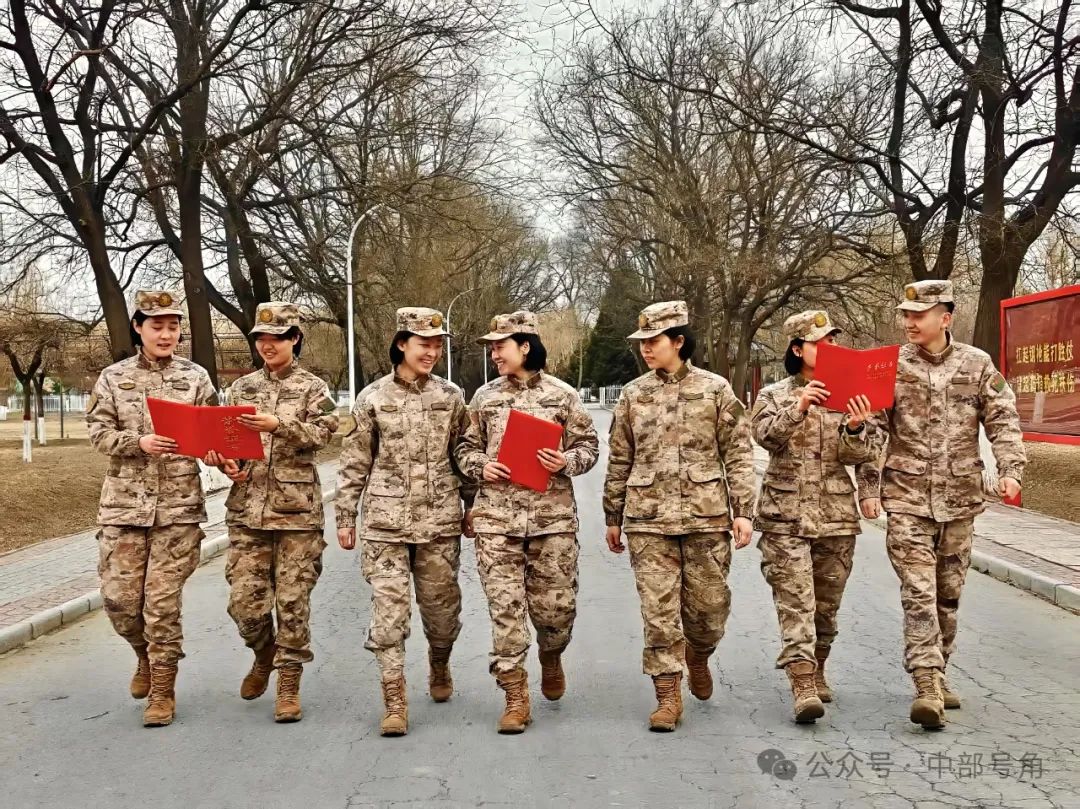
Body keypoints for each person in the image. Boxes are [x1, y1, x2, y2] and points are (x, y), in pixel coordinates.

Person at [865, 280, 1025, 729]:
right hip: (907, 499)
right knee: (918, 593)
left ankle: (939, 670)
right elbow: (872, 431)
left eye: (919, 314)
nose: (910, 321)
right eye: (906, 314)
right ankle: (926, 683)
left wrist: (1011, 469)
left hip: (960, 500)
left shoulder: (977, 364)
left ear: (945, 317)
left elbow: (1003, 419)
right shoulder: (890, 367)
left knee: (947, 597)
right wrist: (867, 479)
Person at [603, 301, 756, 732]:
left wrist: (744, 511)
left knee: (709, 609)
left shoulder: (716, 389)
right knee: (659, 613)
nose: (646, 349)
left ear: (679, 341)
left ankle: (699, 654)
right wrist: (613, 514)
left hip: (706, 517)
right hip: (648, 520)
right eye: (642, 342)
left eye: (654, 341)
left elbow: (739, 453)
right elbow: (619, 458)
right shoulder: (634, 394)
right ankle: (668, 695)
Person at [456, 311, 599, 734]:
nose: (494, 354)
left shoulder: (562, 395)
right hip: (496, 521)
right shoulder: (483, 397)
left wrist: (565, 461)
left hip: (551, 521)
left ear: (525, 346)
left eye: (500, 346)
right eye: (492, 348)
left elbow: (589, 447)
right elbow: (465, 449)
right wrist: (481, 466)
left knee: (556, 612)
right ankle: (515, 695)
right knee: (505, 609)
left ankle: (551, 654)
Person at [335, 307, 474, 737]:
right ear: (401, 344)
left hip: (439, 523)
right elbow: (355, 461)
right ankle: (394, 699)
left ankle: (439, 661)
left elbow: (464, 453)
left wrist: (472, 506)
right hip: (386, 525)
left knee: (442, 614)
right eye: (423, 344)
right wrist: (345, 515)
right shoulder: (372, 398)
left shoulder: (451, 396)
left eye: (436, 345)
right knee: (388, 614)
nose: (431, 352)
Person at [87, 289, 217, 727]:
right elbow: (98, 432)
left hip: (178, 509)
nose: (166, 334)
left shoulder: (196, 378)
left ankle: (162, 691)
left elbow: (213, 433)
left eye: (173, 326)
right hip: (123, 508)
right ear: (138, 328)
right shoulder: (113, 377)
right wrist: (136, 442)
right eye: (157, 325)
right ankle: (142, 653)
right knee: (121, 603)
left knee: (161, 604)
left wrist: (217, 453)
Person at [206, 302, 338, 723]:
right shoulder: (240, 388)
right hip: (247, 510)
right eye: (261, 338)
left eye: (277, 337)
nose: (268, 345)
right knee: (245, 605)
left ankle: (288, 682)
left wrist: (278, 425)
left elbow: (324, 434)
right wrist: (224, 462)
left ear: (294, 338)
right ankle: (264, 653)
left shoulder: (314, 388)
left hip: (297, 513)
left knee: (293, 601)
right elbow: (228, 443)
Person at [751, 310, 882, 723]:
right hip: (784, 517)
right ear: (797, 349)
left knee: (826, 607)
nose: (830, 347)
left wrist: (856, 428)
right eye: (820, 342)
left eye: (833, 340)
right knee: (795, 603)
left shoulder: (852, 393)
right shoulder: (774, 395)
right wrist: (799, 407)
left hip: (835, 516)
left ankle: (819, 666)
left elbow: (861, 454)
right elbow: (765, 438)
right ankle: (802, 683)